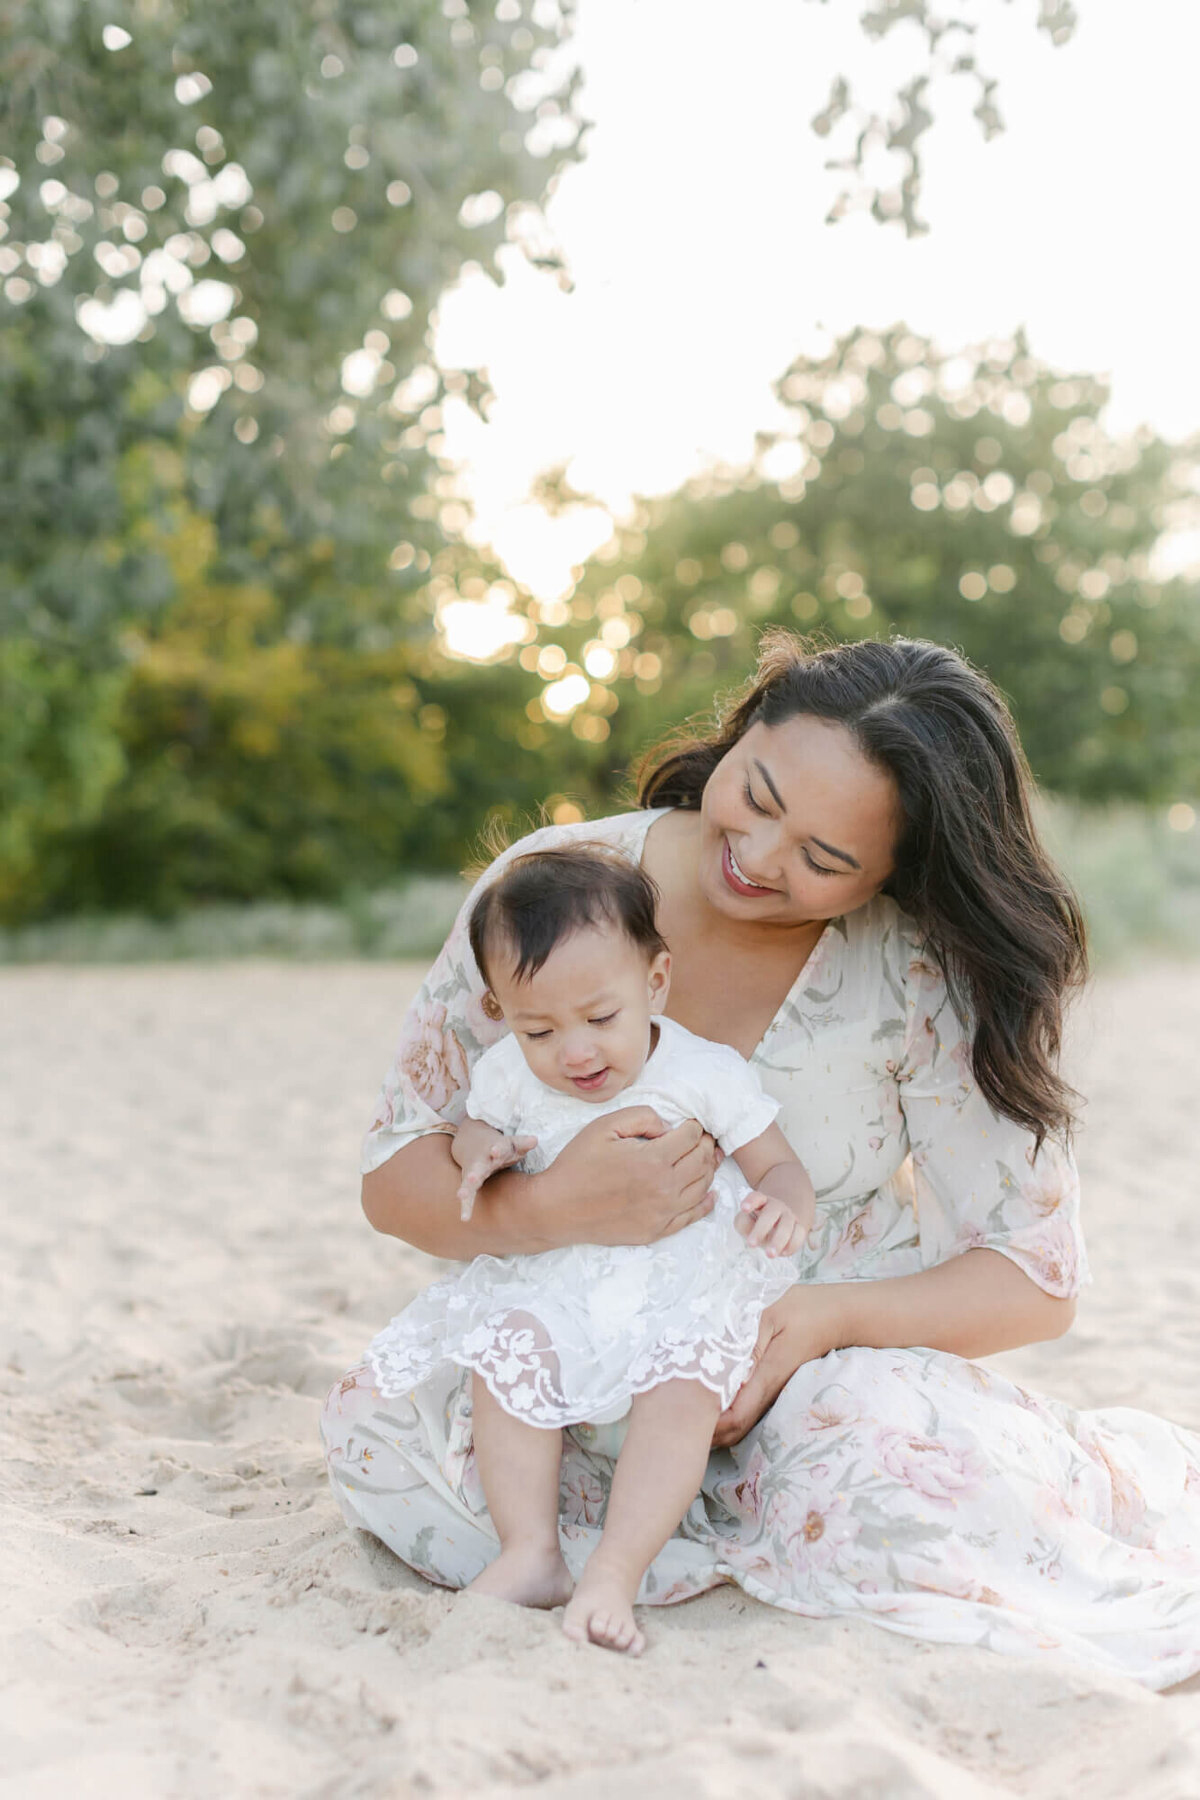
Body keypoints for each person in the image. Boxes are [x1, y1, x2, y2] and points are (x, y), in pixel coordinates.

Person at [322, 632, 1200, 1688]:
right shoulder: (551, 892)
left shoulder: (918, 965)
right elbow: (395, 1174)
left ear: (893, 872)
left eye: (825, 860)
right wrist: (555, 1207)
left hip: (809, 1387)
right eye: (760, 794)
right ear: (742, 732)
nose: (761, 856)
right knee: (383, 1430)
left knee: (891, 1486)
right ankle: (587, 1551)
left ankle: (734, 1531)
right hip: (574, 1355)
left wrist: (819, 1325)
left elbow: (1034, 1280)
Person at [364, 844, 814, 1653]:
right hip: (561, 1279)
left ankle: (615, 1566)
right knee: (506, 1358)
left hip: (679, 1280)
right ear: (501, 1013)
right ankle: (531, 1549)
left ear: (655, 984)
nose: (576, 1053)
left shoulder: (702, 1070)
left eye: (601, 1020)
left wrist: (783, 1204)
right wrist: (480, 1150)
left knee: (681, 1390)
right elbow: (477, 1126)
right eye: (540, 1028)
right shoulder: (508, 1073)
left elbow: (776, 1162)